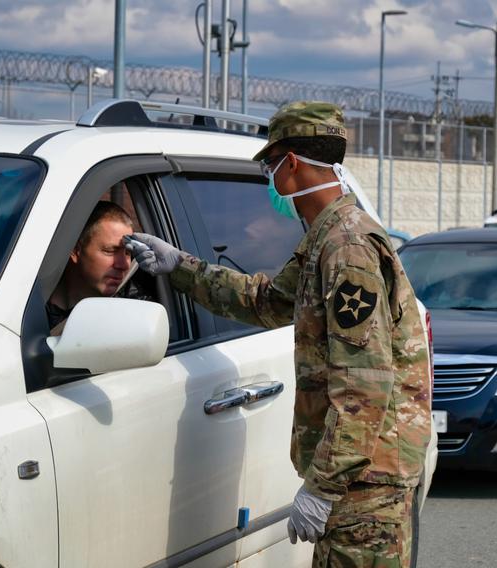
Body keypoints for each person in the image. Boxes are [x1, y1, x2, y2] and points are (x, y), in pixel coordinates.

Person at [125, 101, 432, 568]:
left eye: (270, 165)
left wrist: (324, 485)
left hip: (366, 484)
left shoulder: (345, 248)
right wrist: (179, 266)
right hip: (364, 476)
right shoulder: (327, 238)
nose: (269, 178)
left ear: (290, 164)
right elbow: (267, 302)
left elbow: (365, 386)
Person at [46, 201, 148, 333]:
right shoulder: (26, 310)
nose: (124, 264)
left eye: (128, 252)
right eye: (110, 251)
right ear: (75, 250)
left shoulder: (136, 307)